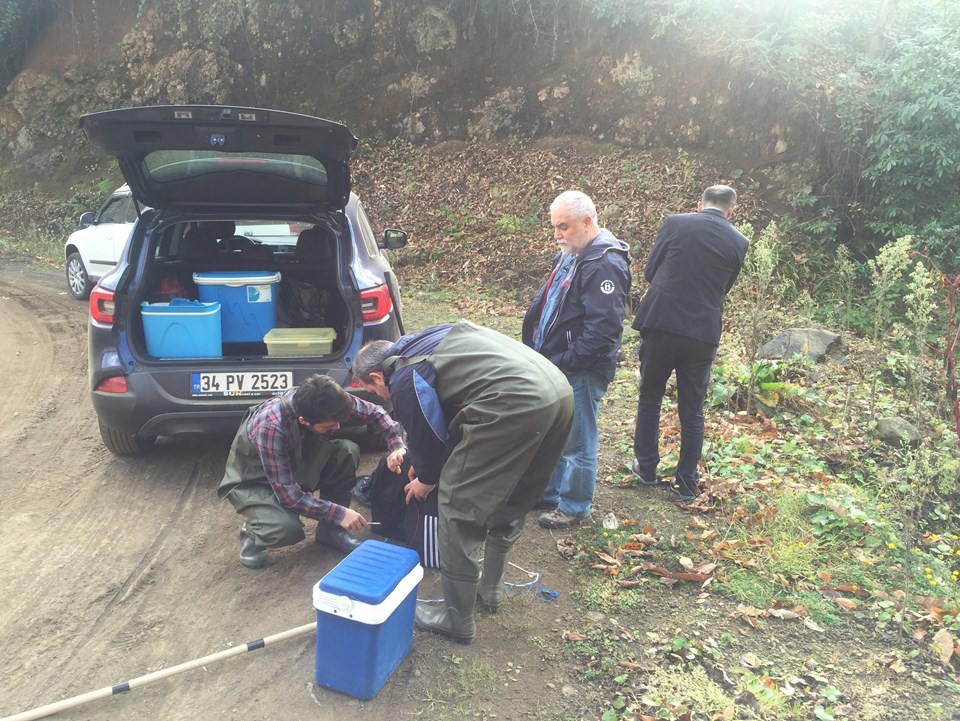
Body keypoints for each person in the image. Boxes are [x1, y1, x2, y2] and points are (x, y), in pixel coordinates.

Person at [353, 321, 574, 644]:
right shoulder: (431, 339)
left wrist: (427, 479)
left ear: (375, 376)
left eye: (374, 392)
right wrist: (426, 464)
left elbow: (428, 433)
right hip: (557, 390)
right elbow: (449, 414)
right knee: (515, 492)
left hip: (513, 403)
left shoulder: (403, 376)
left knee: (456, 508)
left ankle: (457, 619)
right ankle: (492, 589)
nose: (381, 397)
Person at [631, 185, 749, 502]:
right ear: (731, 211)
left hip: (662, 323)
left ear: (700, 205)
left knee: (651, 397)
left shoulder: (675, 223)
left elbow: (649, 272)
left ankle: (646, 468)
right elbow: (724, 288)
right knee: (692, 411)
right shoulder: (740, 242)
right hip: (702, 333)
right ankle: (685, 482)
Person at [522, 190, 631, 529]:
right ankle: (549, 493)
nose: (557, 235)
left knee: (578, 440)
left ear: (587, 222)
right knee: (554, 433)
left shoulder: (604, 263)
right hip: (555, 363)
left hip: (579, 369)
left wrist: (568, 360)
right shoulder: (572, 252)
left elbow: (604, 330)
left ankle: (574, 506)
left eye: (564, 227)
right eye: (555, 226)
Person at [218, 374, 406, 569]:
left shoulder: (328, 398)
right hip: (256, 480)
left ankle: (331, 532)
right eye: (330, 426)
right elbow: (290, 496)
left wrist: (396, 446)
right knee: (285, 529)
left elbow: (375, 412)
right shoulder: (271, 426)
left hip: (292, 465)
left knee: (346, 451)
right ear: (304, 420)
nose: (338, 427)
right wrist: (338, 513)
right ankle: (255, 531)